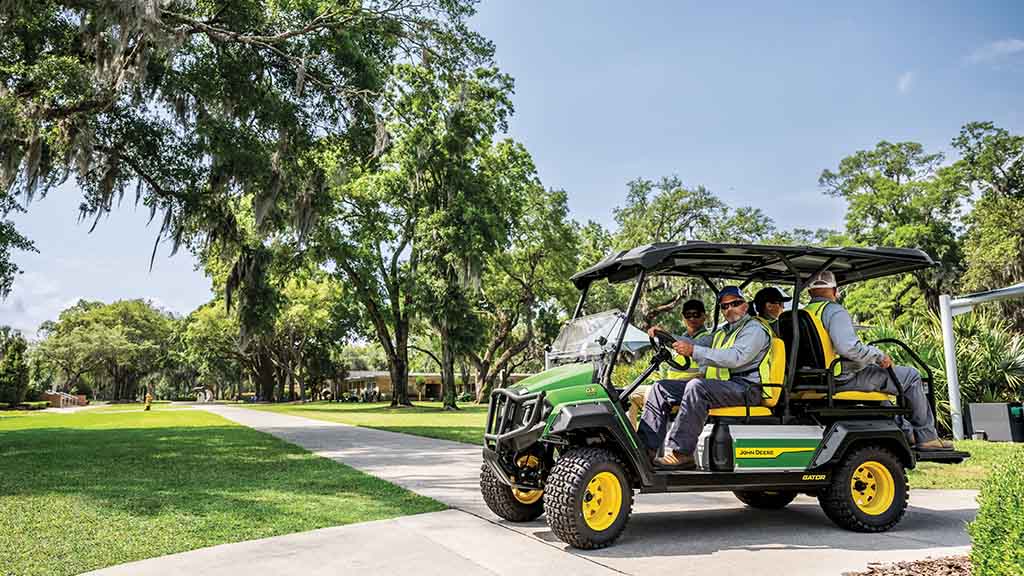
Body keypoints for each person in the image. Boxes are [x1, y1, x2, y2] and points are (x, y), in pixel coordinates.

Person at [803, 270, 952, 450]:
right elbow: (848, 348)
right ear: (835, 291)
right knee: (911, 376)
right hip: (840, 378)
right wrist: (879, 356)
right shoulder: (834, 311)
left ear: (809, 292)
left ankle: (907, 433)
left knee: (881, 395)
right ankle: (926, 437)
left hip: (812, 379)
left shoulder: (804, 313)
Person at [638, 287, 771, 469]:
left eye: (735, 303)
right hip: (724, 387)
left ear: (745, 306)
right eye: (724, 306)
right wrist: (667, 337)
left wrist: (693, 351)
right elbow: (696, 343)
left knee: (697, 386)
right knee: (660, 388)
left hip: (747, 388)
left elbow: (736, 357)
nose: (729, 309)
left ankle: (682, 453)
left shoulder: (754, 329)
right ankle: (645, 451)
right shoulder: (724, 332)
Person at [627, 299, 709, 428]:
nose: (692, 318)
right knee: (628, 394)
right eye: (688, 315)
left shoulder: (706, 338)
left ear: (704, 316)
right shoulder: (682, 338)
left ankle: (651, 437)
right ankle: (631, 435)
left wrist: (666, 334)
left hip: (689, 388)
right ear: (683, 318)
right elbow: (679, 342)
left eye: (696, 314)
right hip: (673, 386)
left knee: (654, 392)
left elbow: (693, 345)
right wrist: (662, 336)